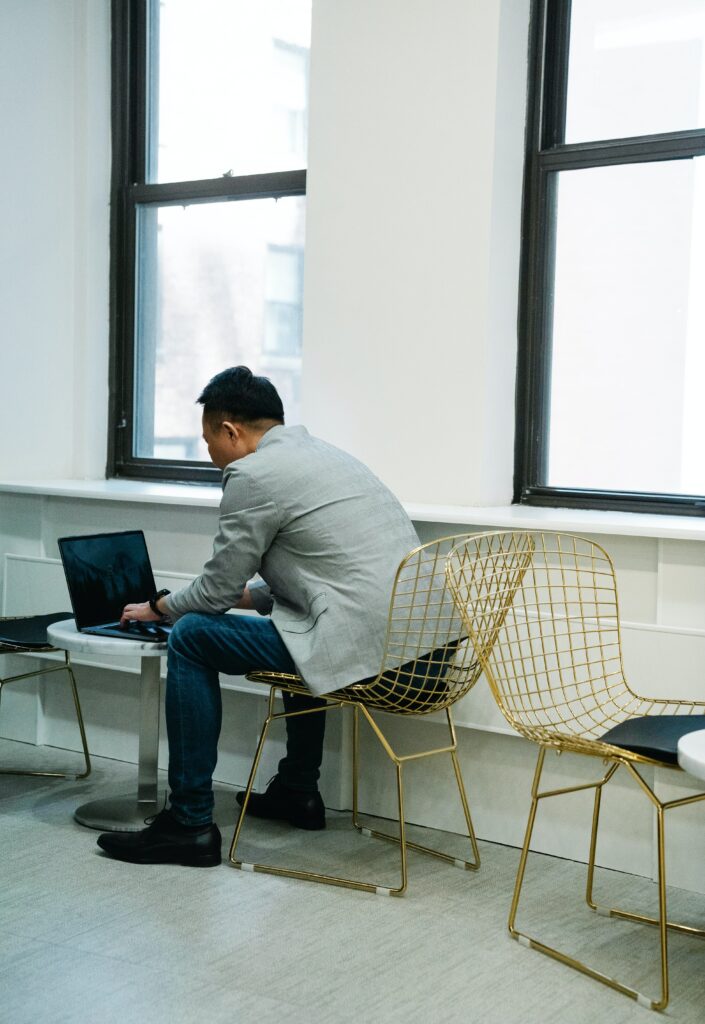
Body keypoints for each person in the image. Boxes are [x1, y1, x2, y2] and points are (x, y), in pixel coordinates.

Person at [97, 366, 420, 866]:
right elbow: (330, 575)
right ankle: (297, 788)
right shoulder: (328, 457)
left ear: (231, 431)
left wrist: (159, 607)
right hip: (426, 650)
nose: (210, 456)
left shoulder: (252, 475)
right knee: (294, 621)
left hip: (370, 650)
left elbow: (215, 593)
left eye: (209, 442)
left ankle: (188, 822)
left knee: (191, 635)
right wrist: (254, 597)